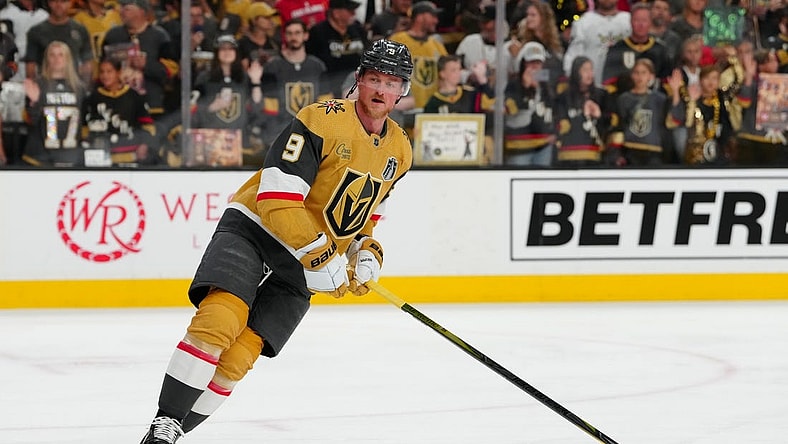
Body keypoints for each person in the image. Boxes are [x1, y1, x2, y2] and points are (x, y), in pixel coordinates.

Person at [138, 39, 413, 444]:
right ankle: (163, 424)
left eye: (392, 83)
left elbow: (365, 216)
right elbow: (277, 197)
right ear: (359, 79)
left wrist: (365, 252)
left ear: (403, 90)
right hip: (256, 230)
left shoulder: (400, 150)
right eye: (375, 79)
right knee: (221, 320)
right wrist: (322, 255)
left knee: (238, 358)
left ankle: (173, 433)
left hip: (303, 260)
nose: (382, 91)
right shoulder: (321, 119)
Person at [21, 40, 88, 167]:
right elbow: (30, 122)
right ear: (47, 59)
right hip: (40, 155)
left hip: (71, 155)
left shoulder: (79, 88)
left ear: (68, 59)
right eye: (52, 55)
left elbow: (85, 123)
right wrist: (34, 102)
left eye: (61, 55)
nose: (57, 59)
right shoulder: (37, 85)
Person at [606, 59, 684, 166]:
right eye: (636, 73)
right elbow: (618, 127)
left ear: (651, 76)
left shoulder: (659, 99)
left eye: (643, 73)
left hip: (653, 152)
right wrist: (616, 155)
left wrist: (675, 91)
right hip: (630, 150)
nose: (640, 77)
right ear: (632, 75)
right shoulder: (623, 99)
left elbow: (673, 121)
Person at [80, 56, 157, 165]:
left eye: (109, 71)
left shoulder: (134, 96)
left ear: (118, 72)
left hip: (131, 155)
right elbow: (84, 127)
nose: (105, 75)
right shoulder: (92, 98)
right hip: (102, 155)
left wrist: (144, 144)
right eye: (102, 72)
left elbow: (147, 125)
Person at [262, 18, 328, 145]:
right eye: (289, 33)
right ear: (285, 36)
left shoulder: (318, 66)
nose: (293, 37)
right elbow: (270, 108)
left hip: (311, 133)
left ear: (306, 35)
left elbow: (324, 105)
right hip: (280, 132)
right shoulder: (273, 67)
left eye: (297, 33)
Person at [503, 42, 556, 167]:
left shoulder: (547, 86)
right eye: (531, 63)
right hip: (520, 146)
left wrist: (554, 133)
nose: (535, 67)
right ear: (523, 64)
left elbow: (554, 110)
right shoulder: (513, 85)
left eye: (538, 63)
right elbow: (511, 109)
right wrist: (525, 88)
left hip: (543, 144)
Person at [554, 56, 613, 166]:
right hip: (568, 156)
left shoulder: (602, 95)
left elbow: (609, 125)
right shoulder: (564, 97)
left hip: (594, 155)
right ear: (576, 72)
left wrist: (599, 115)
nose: (589, 74)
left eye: (591, 69)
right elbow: (558, 124)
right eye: (585, 70)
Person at [389, 1, 447, 109]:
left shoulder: (436, 45)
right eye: (433, 16)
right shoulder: (398, 40)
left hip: (432, 109)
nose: (436, 21)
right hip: (405, 108)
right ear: (420, 17)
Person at [305, 0, 367, 97]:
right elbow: (313, 63)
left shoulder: (358, 29)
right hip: (330, 87)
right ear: (336, 13)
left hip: (358, 84)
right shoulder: (318, 32)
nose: (354, 14)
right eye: (350, 11)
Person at [562, 0, 630, 86]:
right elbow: (573, 56)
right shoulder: (583, 23)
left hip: (623, 86)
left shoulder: (629, 21)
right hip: (592, 87)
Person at [23, 0, 94, 82]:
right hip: (45, 87)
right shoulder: (36, 31)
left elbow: (87, 63)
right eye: (55, 1)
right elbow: (30, 65)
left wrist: (85, 87)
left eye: (63, 1)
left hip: (74, 86)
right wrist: (33, 87)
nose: (59, 5)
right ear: (49, 3)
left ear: (70, 3)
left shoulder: (80, 30)